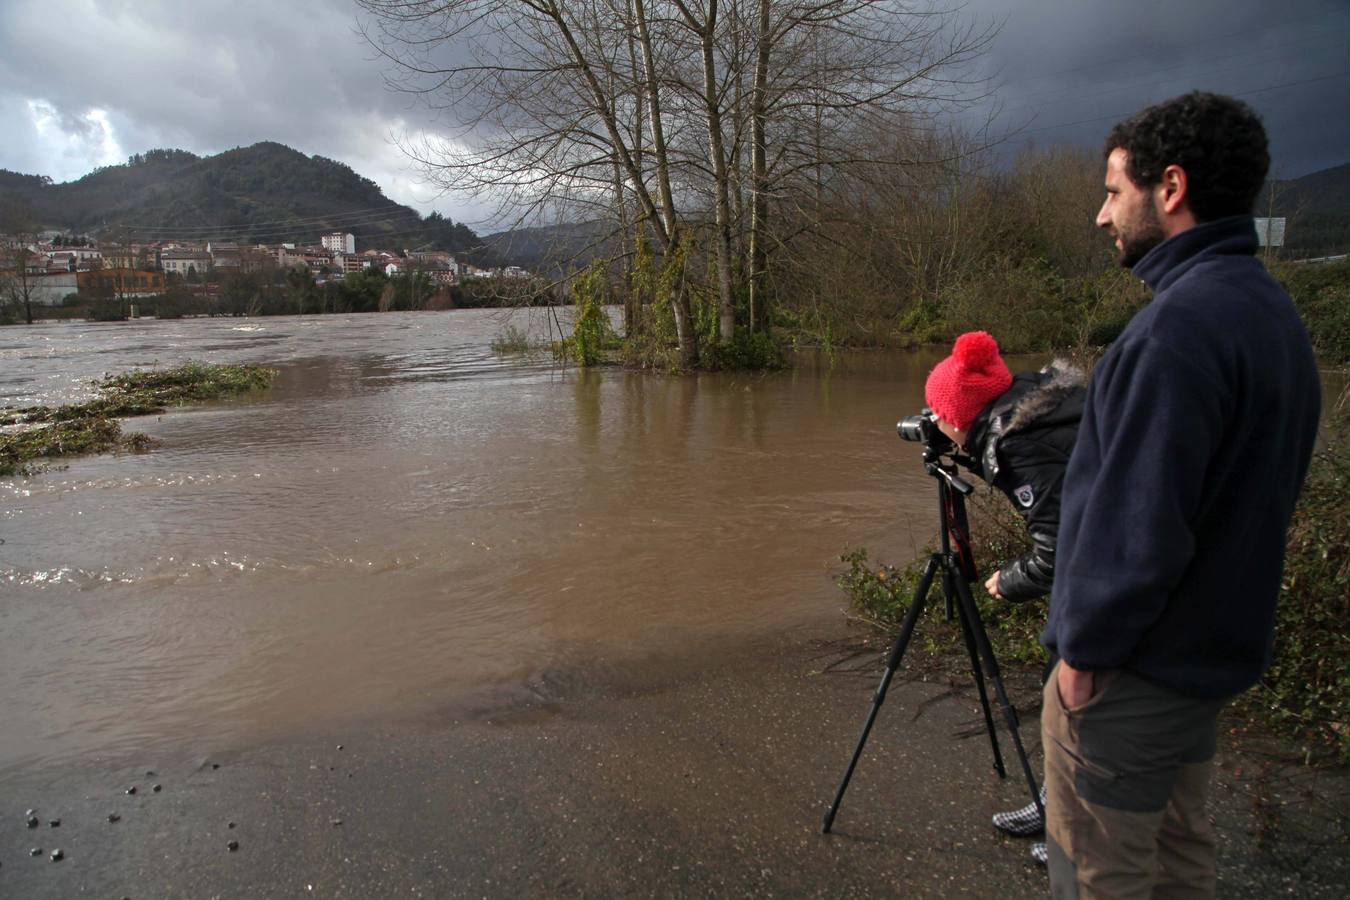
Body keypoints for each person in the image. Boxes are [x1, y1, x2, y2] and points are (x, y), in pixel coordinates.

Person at [1041, 91, 1321, 898]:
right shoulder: (1269, 315)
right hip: (1206, 661)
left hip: (1132, 680)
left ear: (1170, 189)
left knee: (1102, 873)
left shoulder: (1173, 334)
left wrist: (1083, 659)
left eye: (1112, 191)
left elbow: (1136, 526)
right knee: (1177, 865)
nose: (1102, 216)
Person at [924, 329, 1085, 864]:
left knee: (1076, 705)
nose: (934, 422)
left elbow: (1061, 549)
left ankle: (1073, 836)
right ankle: (1052, 803)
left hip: (1105, 587)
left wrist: (1009, 580)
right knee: (1061, 697)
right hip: (1120, 573)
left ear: (960, 415)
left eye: (938, 412)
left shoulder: (1019, 443)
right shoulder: (1037, 408)